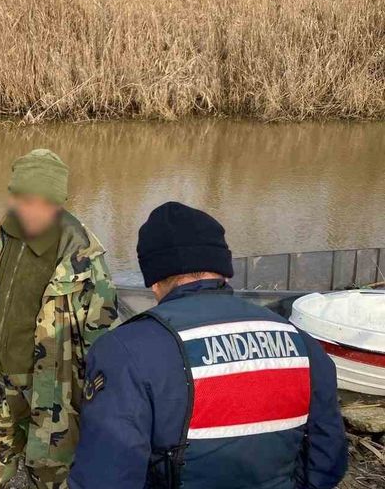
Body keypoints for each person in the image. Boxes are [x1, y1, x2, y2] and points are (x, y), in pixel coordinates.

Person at [69, 201, 349, 489]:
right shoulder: (300, 341)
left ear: (153, 282)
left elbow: (107, 476)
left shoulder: (125, 351)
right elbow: (327, 459)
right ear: (223, 270)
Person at [0, 149, 118, 489]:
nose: (30, 210)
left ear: (58, 202)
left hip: (53, 393)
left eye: (41, 202)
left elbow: (103, 336)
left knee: (51, 477)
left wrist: (99, 404)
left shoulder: (82, 255)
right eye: (22, 199)